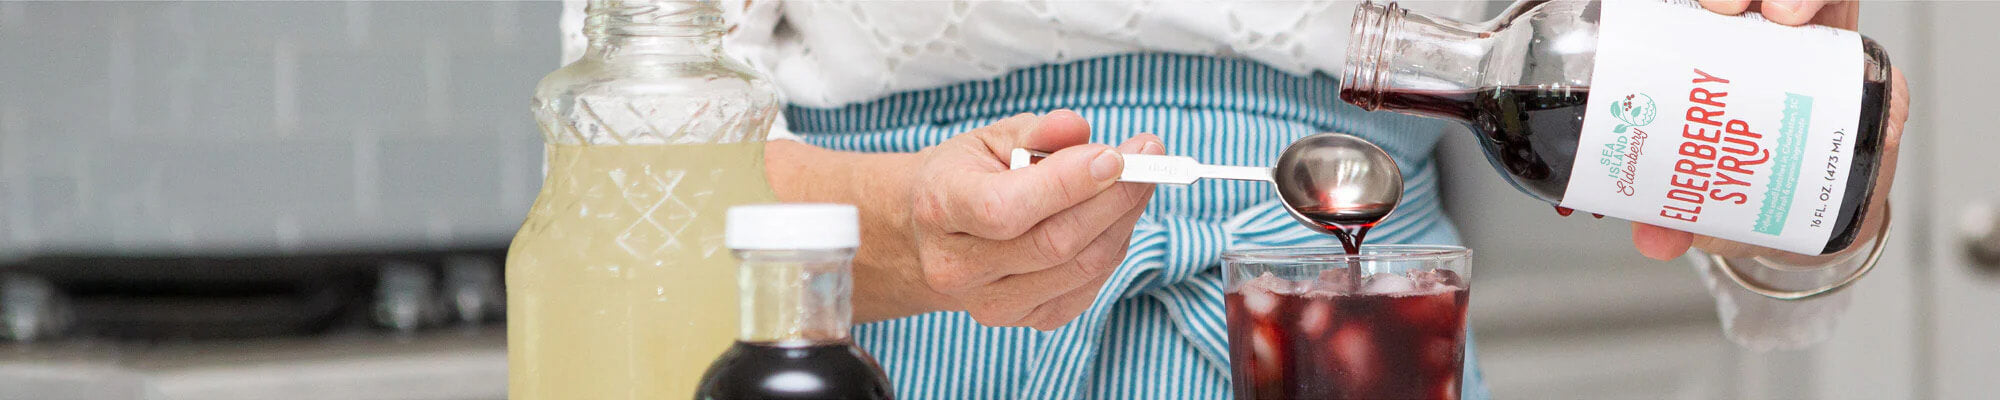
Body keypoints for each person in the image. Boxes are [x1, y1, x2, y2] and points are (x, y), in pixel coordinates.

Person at [557, 0, 1908, 397]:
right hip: (912, 344)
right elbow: (628, 178)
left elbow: (1759, 252)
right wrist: (901, 239)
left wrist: (1804, 187)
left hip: (1367, 332)